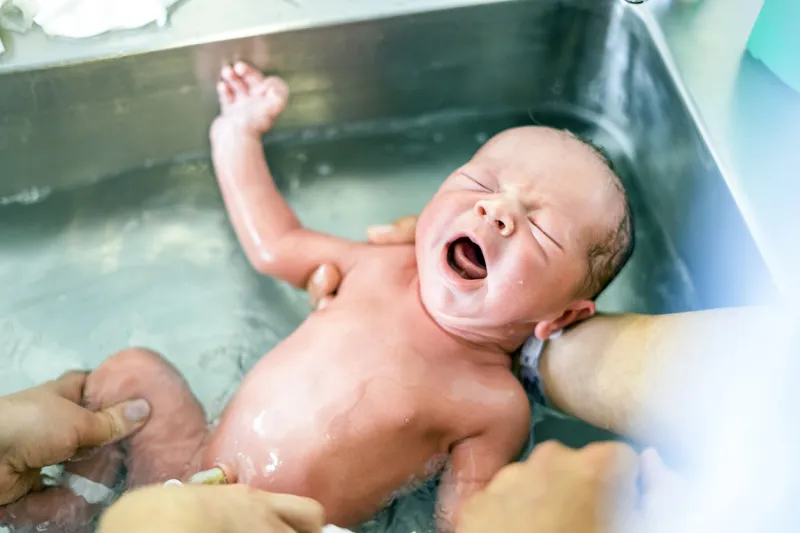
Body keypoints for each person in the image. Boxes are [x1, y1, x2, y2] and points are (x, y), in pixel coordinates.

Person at [7, 60, 635, 533]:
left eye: (541, 228)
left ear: (562, 316)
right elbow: (276, 243)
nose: (495, 210)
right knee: (130, 374)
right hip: (189, 463)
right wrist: (236, 139)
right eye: (482, 182)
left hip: (278, 525)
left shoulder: (495, 407)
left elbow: (467, 521)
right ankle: (73, 506)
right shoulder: (381, 266)